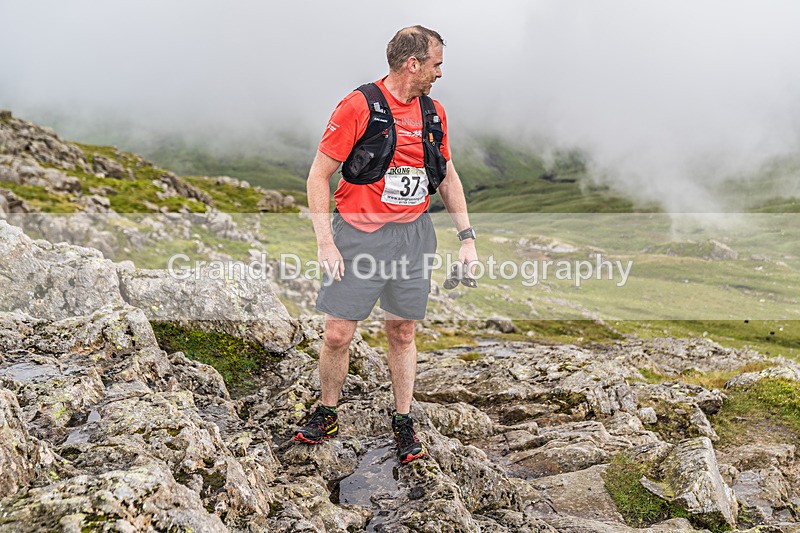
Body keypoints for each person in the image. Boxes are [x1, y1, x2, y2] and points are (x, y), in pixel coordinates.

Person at [293, 25, 478, 465]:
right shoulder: (359, 106)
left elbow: (447, 176)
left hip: (413, 237)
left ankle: (403, 419)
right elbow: (319, 175)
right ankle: (327, 412)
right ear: (413, 64)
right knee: (338, 333)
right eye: (436, 65)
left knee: (403, 331)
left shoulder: (434, 113)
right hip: (359, 236)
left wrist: (467, 239)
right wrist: (325, 242)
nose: (439, 73)